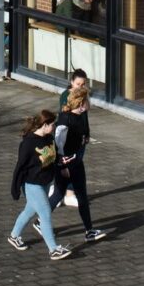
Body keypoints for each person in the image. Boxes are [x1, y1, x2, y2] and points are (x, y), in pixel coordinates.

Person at [8, 109, 73, 261]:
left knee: (29, 211)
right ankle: (54, 249)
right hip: (32, 185)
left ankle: (14, 236)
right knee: (45, 213)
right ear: (44, 125)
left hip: (44, 182)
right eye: (52, 124)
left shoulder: (49, 138)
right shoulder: (28, 143)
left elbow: (54, 156)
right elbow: (20, 167)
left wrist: (62, 164)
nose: (54, 127)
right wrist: (15, 188)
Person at [47, 88, 107, 243]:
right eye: (87, 100)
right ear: (81, 103)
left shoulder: (80, 116)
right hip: (66, 166)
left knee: (82, 196)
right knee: (58, 195)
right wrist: (63, 167)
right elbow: (58, 146)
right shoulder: (65, 121)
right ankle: (40, 222)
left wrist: (83, 139)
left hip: (77, 164)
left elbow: (81, 134)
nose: (89, 103)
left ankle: (89, 231)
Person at [58, 69, 90, 207]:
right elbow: (65, 116)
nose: (80, 87)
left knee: (76, 164)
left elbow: (85, 115)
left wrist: (87, 133)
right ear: (72, 82)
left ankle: (67, 192)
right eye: (78, 84)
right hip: (71, 136)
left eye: (83, 84)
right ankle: (65, 193)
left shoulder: (83, 96)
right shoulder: (66, 96)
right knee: (68, 165)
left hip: (81, 134)